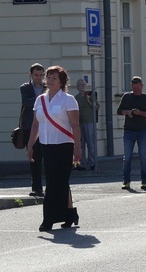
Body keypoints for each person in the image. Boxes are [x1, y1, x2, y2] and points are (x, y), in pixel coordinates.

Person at [26, 65, 81, 231]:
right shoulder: (40, 100)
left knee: (59, 182)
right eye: (48, 77)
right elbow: (36, 124)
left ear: (61, 82)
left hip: (64, 145)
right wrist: (30, 145)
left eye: (54, 78)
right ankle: (70, 214)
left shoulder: (68, 100)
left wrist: (77, 149)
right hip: (46, 145)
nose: (49, 81)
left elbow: (75, 126)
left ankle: (48, 219)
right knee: (53, 180)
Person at [117, 76, 146, 190]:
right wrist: (127, 112)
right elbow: (119, 111)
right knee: (127, 157)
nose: (136, 89)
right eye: (133, 87)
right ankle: (126, 181)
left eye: (137, 87)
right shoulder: (126, 97)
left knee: (143, 157)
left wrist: (139, 113)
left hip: (142, 130)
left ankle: (144, 181)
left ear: (142, 86)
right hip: (128, 130)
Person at [20, 63, 46, 197]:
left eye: (41, 75)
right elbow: (26, 102)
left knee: (47, 157)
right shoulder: (25, 87)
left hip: (46, 126)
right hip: (30, 127)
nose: (39, 78)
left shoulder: (48, 87)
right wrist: (41, 97)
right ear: (31, 74)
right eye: (36, 75)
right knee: (34, 158)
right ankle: (37, 188)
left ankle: (50, 186)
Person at [75, 79, 99, 171]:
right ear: (77, 86)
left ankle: (92, 162)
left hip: (89, 122)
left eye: (84, 84)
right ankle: (82, 163)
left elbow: (96, 107)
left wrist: (88, 100)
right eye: (80, 84)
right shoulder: (76, 98)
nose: (82, 86)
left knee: (90, 143)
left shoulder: (90, 95)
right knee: (81, 143)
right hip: (80, 123)